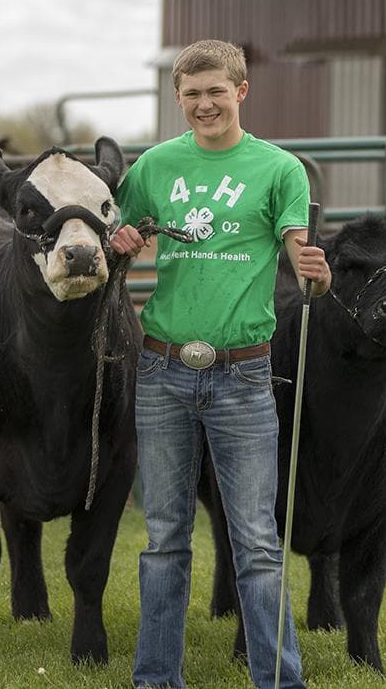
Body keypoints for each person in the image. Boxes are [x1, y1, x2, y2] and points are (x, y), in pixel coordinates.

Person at [112, 39, 330, 689]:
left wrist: (314, 276)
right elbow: (116, 246)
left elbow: (303, 268)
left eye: (216, 91)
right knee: (163, 540)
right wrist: (121, 243)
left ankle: (277, 679)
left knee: (257, 543)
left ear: (240, 91)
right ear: (178, 98)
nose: (204, 104)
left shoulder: (279, 170)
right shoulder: (151, 168)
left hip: (241, 375)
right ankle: (155, 679)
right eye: (191, 94)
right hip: (162, 370)